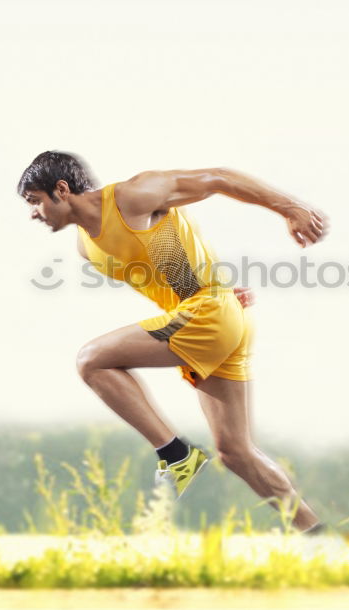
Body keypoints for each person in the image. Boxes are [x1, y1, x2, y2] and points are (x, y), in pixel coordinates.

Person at [17, 150, 330, 533]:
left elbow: (218, 177)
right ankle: (322, 538)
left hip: (208, 315)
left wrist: (290, 208)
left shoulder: (133, 195)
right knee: (236, 452)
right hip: (211, 313)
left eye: (34, 201)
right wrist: (214, 290)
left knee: (91, 361)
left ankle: (176, 455)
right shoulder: (87, 247)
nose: (33, 213)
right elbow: (169, 260)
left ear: (61, 190)